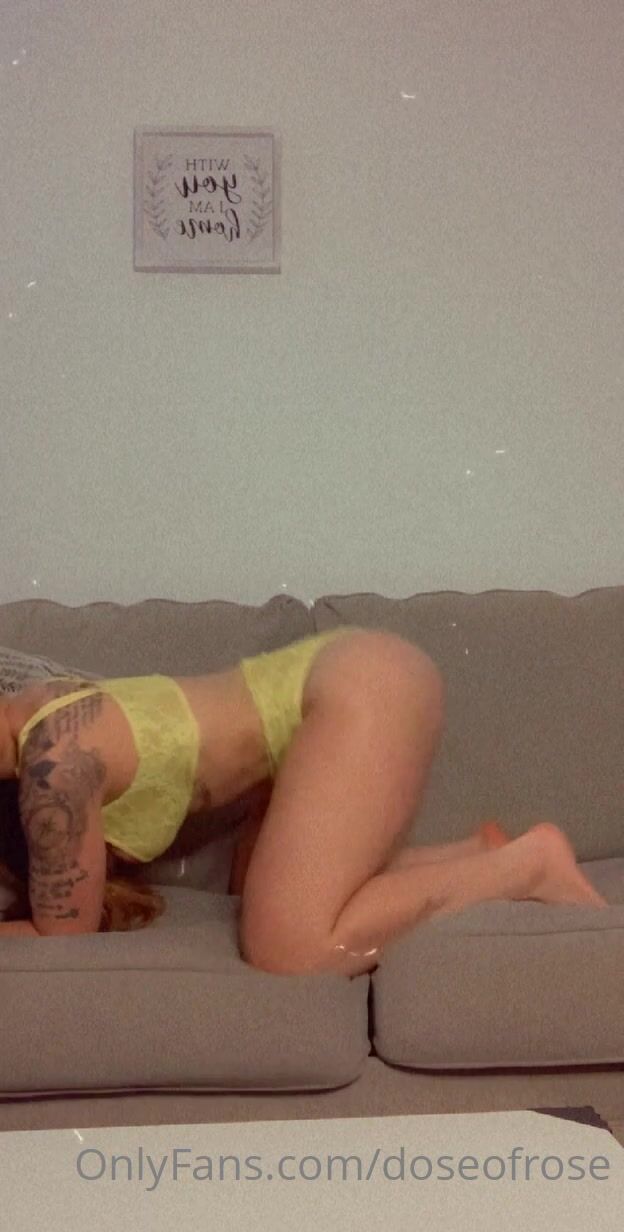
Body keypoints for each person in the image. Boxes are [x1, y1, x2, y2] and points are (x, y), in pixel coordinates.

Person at [0, 626, 606, 975]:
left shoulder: (55, 760)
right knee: (261, 894)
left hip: (358, 684)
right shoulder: (43, 707)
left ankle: (524, 867)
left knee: (287, 948)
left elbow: (65, 937)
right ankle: (473, 855)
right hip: (341, 682)